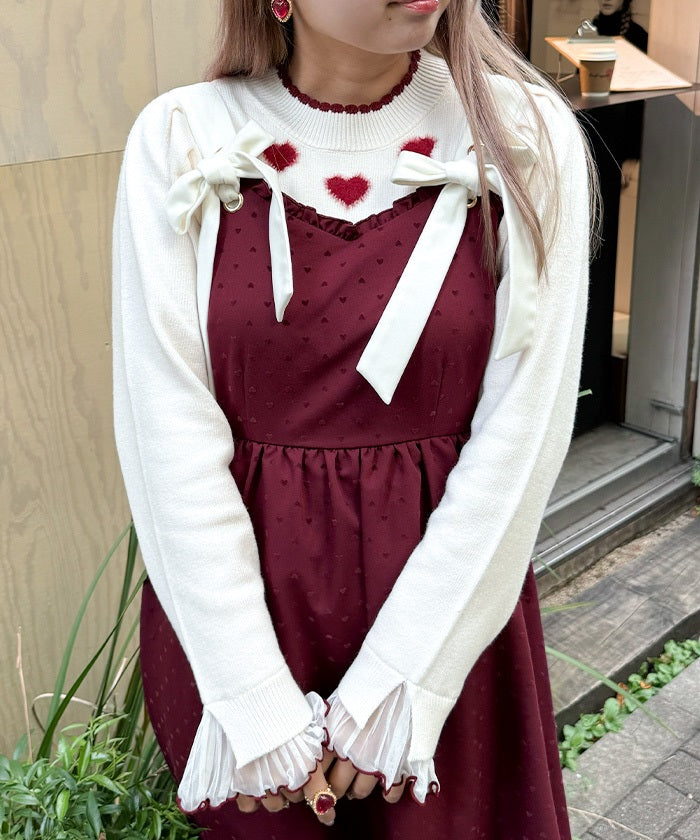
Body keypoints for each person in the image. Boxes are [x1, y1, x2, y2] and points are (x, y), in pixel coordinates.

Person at [112, 1, 591, 837]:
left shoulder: (522, 133)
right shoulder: (183, 138)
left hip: (446, 630)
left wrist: (403, 681)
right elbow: (165, 432)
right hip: (249, 627)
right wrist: (252, 697)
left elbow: (525, 432)